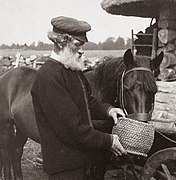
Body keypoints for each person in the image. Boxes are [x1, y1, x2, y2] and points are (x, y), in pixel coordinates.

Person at [30, 16, 127, 180]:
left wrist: (108, 110)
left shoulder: (72, 69)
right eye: (77, 45)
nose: (81, 50)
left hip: (82, 159)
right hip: (64, 167)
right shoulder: (48, 76)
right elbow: (71, 129)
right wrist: (108, 140)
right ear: (61, 42)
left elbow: (87, 101)